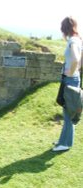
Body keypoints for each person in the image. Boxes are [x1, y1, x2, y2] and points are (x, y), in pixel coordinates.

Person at [53, 16, 82, 152]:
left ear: (64, 29)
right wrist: (76, 70)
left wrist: (71, 72)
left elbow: (76, 59)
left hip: (70, 79)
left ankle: (66, 144)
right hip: (73, 78)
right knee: (67, 110)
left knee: (68, 113)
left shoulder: (72, 42)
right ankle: (62, 140)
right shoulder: (77, 39)